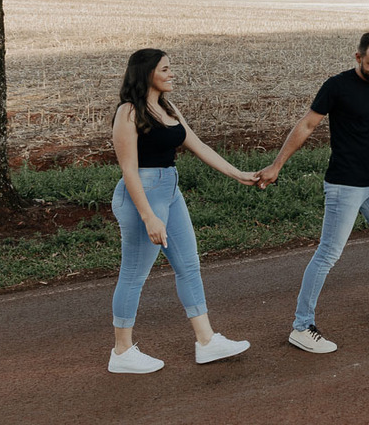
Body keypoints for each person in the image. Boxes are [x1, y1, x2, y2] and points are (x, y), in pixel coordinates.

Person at [258, 31, 369, 354]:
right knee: (328, 254)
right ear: (358, 57)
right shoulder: (336, 86)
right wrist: (276, 165)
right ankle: (301, 326)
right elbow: (306, 125)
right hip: (343, 187)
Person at [108, 48, 258, 374]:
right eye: (165, 69)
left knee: (189, 265)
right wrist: (148, 215)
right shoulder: (129, 113)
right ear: (148, 73)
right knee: (134, 274)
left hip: (170, 192)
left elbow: (198, 145)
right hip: (141, 198)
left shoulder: (166, 107)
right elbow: (130, 170)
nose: (171, 73)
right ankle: (121, 352)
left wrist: (239, 174)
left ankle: (206, 342)